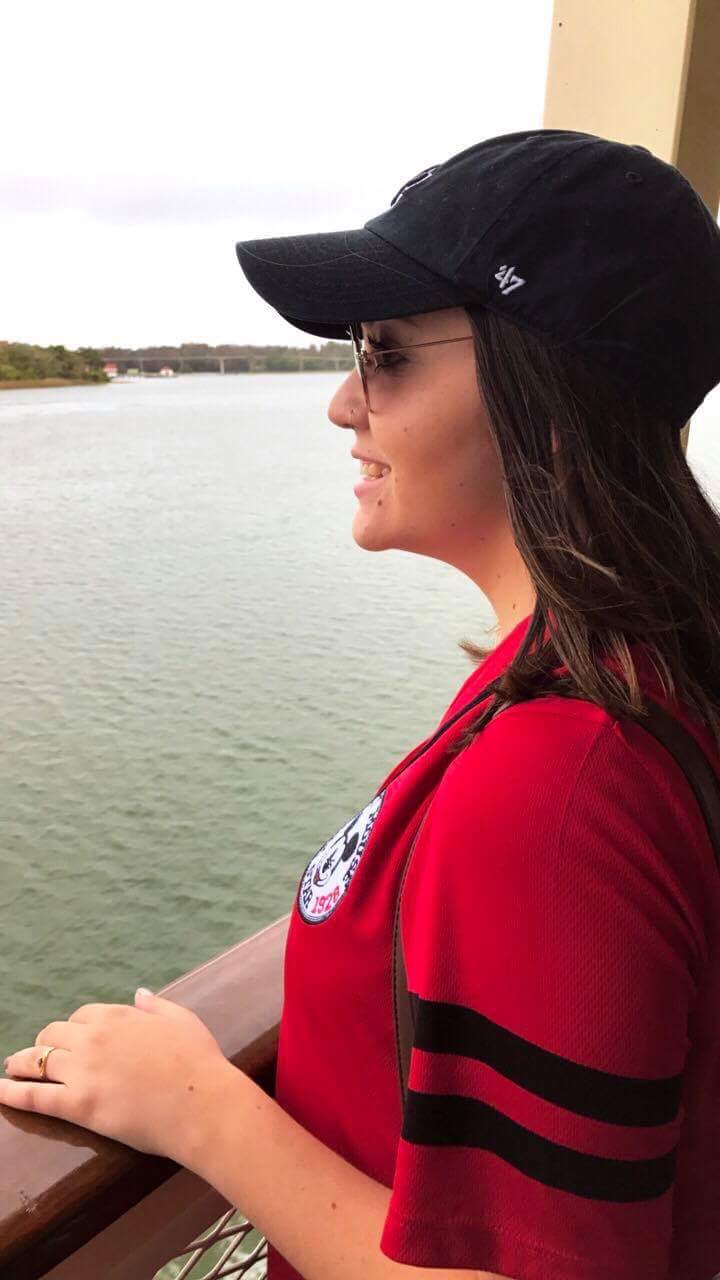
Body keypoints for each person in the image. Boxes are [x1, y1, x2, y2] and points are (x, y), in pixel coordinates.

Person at [2, 128, 720, 1280]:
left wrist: (199, 1106)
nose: (344, 402)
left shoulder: (560, 782)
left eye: (385, 354)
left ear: (547, 392)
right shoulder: (630, 668)